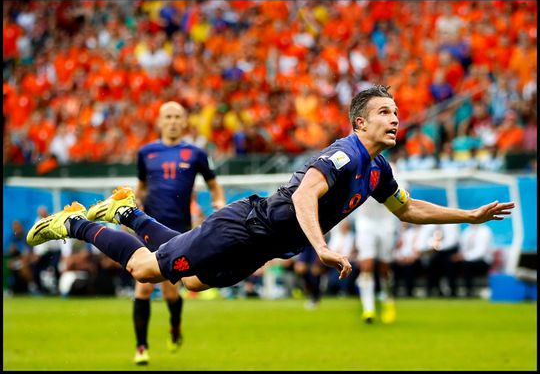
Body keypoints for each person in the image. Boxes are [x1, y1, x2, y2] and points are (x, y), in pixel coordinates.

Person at [27, 85, 515, 320]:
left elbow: (408, 209)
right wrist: (320, 246)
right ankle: (77, 224)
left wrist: (469, 214)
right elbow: (306, 194)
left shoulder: (377, 169)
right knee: (147, 273)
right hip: (246, 226)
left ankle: (128, 213)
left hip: (262, 246)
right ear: (359, 123)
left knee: (192, 280)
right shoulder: (345, 155)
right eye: (384, 112)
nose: (396, 118)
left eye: (396, 111)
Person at [131, 101, 225, 365]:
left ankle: (175, 326)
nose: (172, 121)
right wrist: (132, 208)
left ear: (184, 122)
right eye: (168, 117)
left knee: (172, 293)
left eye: (177, 117)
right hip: (148, 230)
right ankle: (141, 347)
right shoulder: (146, 153)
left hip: (179, 232)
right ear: (160, 122)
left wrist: (218, 202)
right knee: (143, 288)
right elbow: (140, 189)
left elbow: (214, 186)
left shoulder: (195, 153)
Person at [353, 196, 400, 324]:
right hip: (365, 222)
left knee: (384, 268)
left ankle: (388, 300)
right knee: (367, 265)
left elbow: (402, 201)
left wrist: (399, 230)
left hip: (387, 222)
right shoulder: (357, 175)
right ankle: (368, 309)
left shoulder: (397, 176)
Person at [452, 224, 494, 297]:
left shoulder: (485, 231)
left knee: (467, 264)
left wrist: (464, 256)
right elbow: (462, 248)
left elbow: (480, 252)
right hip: (467, 260)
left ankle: (469, 291)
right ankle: (452, 290)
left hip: (483, 262)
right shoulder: (467, 231)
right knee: (451, 263)